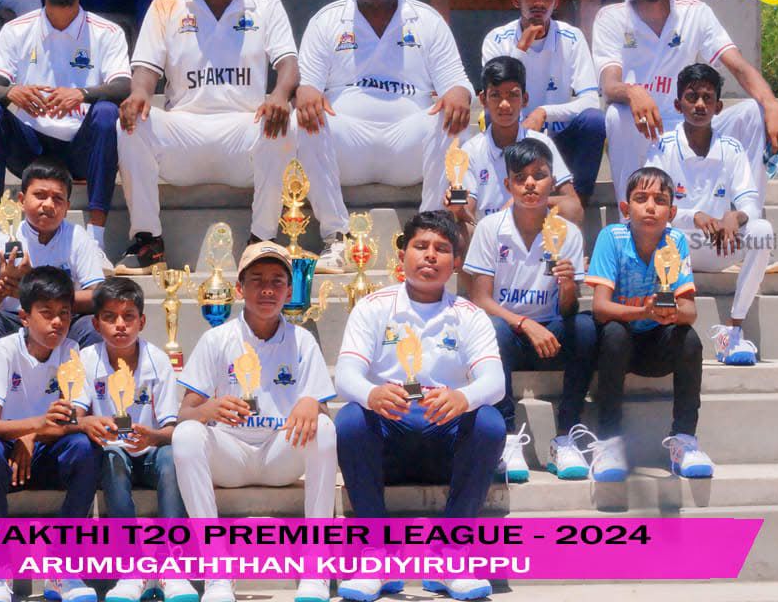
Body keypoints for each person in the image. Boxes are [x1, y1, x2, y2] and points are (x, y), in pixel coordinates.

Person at [334, 211, 506, 602]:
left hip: (444, 440)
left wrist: (463, 397)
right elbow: (345, 375)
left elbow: (495, 382)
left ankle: (452, 555)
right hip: (389, 437)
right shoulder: (373, 307)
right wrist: (371, 394)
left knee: (490, 423)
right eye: (421, 246)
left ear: (456, 262)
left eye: (441, 249)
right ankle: (376, 555)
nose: (430, 256)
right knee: (350, 420)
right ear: (402, 256)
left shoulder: (469, 315)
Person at [116, 0, 299, 273]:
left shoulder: (266, 6)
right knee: (130, 121)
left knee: (285, 122)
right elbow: (145, 70)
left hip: (243, 135)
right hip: (183, 135)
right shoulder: (166, 4)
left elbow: (289, 65)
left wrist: (280, 95)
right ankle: (148, 241)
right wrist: (139, 93)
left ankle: (261, 241)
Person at [295, 0, 475, 272]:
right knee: (302, 120)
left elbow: (457, 82)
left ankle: (429, 234)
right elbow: (307, 86)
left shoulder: (427, 20)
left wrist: (458, 92)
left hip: (407, 147)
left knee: (452, 119)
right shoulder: (327, 21)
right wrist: (306, 92)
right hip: (348, 148)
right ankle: (335, 238)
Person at [172, 242, 336, 602]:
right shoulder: (216, 339)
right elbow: (184, 413)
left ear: (289, 292)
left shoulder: (303, 340)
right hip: (229, 455)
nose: (267, 290)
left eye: (277, 281)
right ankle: (216, 571)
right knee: (185, 436)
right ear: (239, 288)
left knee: (324, 428)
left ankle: (316, 567)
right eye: (257, 280)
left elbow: (320, 413)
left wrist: (312, 402)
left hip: (280, 455)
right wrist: (208, 409)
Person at [592, 0, 778, 209]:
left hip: (690, 123)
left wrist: (771, 105)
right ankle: (632, 223)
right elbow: (609, 85)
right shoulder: (611, 18)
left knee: (753, 113)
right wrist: (633, 92)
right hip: (643, 128)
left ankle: (746, 218)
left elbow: (738, 65)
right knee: (616, 115)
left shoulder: (695, 12)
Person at [0, 0, 130, 269]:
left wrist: (81, 94)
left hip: (81, 145)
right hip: (30, 147)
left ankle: (96, 241)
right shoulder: (16, 30)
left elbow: (122, 86)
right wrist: (12, 92)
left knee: (105, 113)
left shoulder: (107, 32)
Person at [463, 139, 596, 482]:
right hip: (507, 335)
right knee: (493, 328)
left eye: (539, 175)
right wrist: (524, 323)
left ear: (552, 182)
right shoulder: (491, 228)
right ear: (508, 184)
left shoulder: (567, 234)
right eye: (521, 178)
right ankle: (507, 439)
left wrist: (568, 286)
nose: (530, 184)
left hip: (550, 335)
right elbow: (480, 299)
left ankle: (565, 437)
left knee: (586, 327)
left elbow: (568, 309)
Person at [0, 266, 101, 602]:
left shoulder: (72, 352)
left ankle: (63, 565)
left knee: (84, 447)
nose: (57, 322)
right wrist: (35, 427)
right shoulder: (4, 351)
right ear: (25, 317)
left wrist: (33, 436)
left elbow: (72, 418)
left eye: (64, 313)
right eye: (47, 313)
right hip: (7, 454)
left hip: (46, 450)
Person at [584, 167, 713, 481]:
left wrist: (667, 313)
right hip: (619, 345)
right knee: (614, 333)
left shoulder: (675, 241)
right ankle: (609, 441)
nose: (651, 207)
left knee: (690, 340)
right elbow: (600, 308)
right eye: (641, 199)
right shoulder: (611, 237)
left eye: (660, 200)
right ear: (626, 208)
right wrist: (645, 311)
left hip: (655, 344)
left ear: (672, 212)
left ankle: (684, 439)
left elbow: (689, 311)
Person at [0, 158, 106, 430]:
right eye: (39, 195)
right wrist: (0, 289)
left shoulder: (77, 238)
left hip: (62, 320)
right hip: (14, 321)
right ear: (21, 200)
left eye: (57, 198)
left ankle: (87, 420)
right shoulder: (3, 242)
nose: (48, 204)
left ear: (67, 207)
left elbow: (98, 297)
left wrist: (36, 291)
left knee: (93, 327)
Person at [77, 278, 197, 602]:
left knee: (173, 457)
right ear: (95, 323)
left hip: (151, 452)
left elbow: (172, 429)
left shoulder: (158, 360)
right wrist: (90, 423)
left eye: (128, 316)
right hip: (111, 453)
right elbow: (75, 417)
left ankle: (173, 566)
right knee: (113, 459)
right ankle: (130, 567)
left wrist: (152, 436)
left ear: (141, 321)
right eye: (110, 317)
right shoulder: (86, 359)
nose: (120, 325)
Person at [648, 64, 775, 365]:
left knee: (762, 230)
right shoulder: (662, 146)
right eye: (692, 97)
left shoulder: (732, 148)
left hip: (721, 245)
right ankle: (660, 326)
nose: (700, 105)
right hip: (676, 246)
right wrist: (694, 216)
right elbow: (652, 204)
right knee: (651, 227)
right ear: (678, 104)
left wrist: (735, 217)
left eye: (707, 97)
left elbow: (750, 202)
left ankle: (733, 330)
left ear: (718, 107)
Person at [480, 0, 605, 204]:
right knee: (495, 118)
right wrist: (520, 50)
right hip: (516, 133)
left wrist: (544, 113)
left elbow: (591, 100)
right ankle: (506, 198)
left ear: (556, 0)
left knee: (594, 121)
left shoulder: (572, 37)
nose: (539, 1)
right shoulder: (497, 39)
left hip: (558, 135)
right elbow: (497, 96)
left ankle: (577, 201)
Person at [454, 57, 582, 232]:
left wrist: (522, 203)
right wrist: (457, 209)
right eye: (495, 95)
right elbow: (466, 210)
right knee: (460, 230)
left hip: (534, 232)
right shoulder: (470, 150)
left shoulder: (542, 143)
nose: (504, 104)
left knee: (569, 216)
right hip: (490, 235)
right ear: (483, 100)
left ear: (525, 99)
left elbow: (574, 208)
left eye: (513, 95)